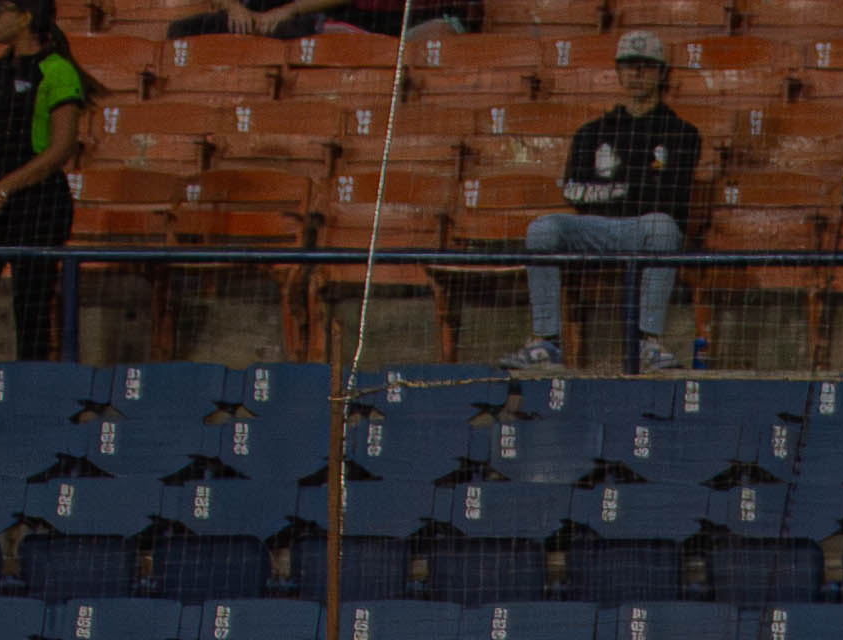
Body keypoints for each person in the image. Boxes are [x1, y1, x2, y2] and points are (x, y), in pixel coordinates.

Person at [501, 32, 701, 377]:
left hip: (647, 229)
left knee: (663, 225)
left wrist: (612, 190)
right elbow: (573, 191)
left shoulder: (681, 132)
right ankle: (546, 342)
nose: (637, 74)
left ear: (661, 73)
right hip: (596, 228)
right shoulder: (593, 132)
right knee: (543, 228)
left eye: (646, 67)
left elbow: (672, 197)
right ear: (619, 73)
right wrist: (630, 189)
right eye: (629, 67)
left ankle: (648, 342)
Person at [0, 0, 86, 369]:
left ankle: (31, 401)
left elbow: (61, 149)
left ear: (24, 18)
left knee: (31, 308)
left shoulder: (58, 71)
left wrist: (5, 187)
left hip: (39, 203)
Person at [167, 0, 473, 36]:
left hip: (309, 12)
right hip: (251, 13)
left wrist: (290, 9)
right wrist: (233, 6)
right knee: (180, 30)